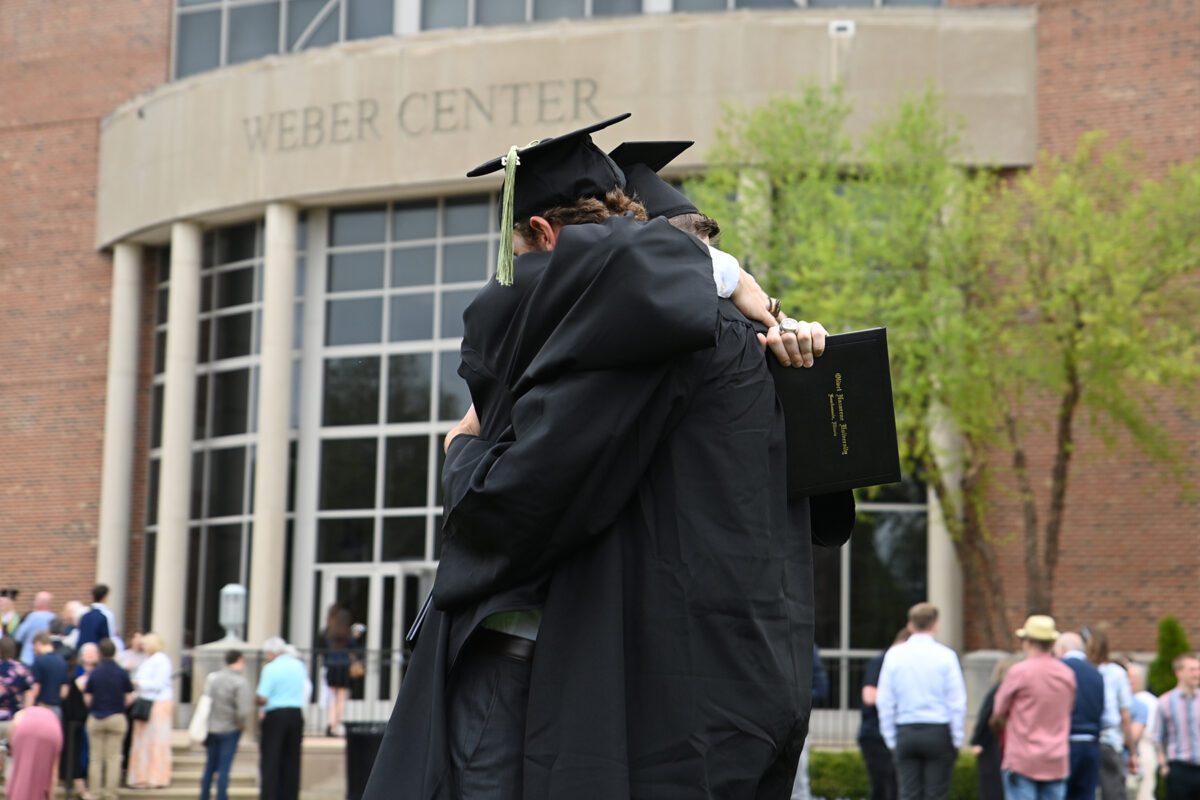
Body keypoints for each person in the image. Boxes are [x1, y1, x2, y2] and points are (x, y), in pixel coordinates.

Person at [365, 115, 851, 800]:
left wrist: (466, 452)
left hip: (589, 695)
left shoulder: (641, 340)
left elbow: (510, 508)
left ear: (542, 233)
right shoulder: (752, 346)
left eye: (527, 259)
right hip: (737, 692)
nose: (528, 288)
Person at [876, 602, 966, 800]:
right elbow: (956, 700)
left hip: (906, 729)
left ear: (910, 625)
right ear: (936, 625)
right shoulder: (946, 656)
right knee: (937, 794)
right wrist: (957, 736)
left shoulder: (894, 655)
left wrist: (890, 736)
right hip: (938, 730)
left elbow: (885, 699)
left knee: (908, 793)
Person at [990, 615, 1077, 800]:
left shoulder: (1019, 672)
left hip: (1023, 759)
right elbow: (1070, 709)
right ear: (1053, 642)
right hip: (1056, 758)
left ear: (1027, 641)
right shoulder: (1067, 674)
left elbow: (998, 709)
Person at [1053, 631, 1105, 800]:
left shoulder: (1058, 670)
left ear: (1061, 649)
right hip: (1091, 745)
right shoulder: (1097, 674)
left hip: (1063, 744)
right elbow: (1109, 716)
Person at [1087, 626, 1136, 799]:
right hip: (1109, 740)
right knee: (1114, 792)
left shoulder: (1079, 671)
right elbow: (1125, 715)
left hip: (1083, 739)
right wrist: (1132, 751)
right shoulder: (1116, 673)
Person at [861, 629, 910, 800]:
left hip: (892, 734)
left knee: (895, 788)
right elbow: (869, 696)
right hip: (875, 734)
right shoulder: (882, 661)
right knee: (884, 787)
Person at [257, 636, 307, 800]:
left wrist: (256, 701)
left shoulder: (271, 668)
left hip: (276, 714)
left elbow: (263, 696)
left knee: (271, 758)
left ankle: (270, 795)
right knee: (292, 759)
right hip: (295, 714)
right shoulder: (299, 666)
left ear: (272, 653)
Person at [83, 639, 133, 800]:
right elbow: (130, 695)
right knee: (114, 758)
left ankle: (95, 793)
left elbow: (88, 697)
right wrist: (122, 705)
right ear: (114, 653)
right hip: (117, 716)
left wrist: (93, 707)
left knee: (95, 758)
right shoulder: (121, 672)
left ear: (100, 654)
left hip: (97, 717)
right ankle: (111, 794)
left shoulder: (95, 673)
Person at [201, 649, 252, 800]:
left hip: (212, 728)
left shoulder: (214, 679)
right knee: (224, 768)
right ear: (239, 660)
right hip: (230, 729)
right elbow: (243, 710)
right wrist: (240, 724)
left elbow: (207, 702)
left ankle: (204, 796)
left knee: (210, 767)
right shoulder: (240, 682)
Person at [969, 654, 1021, 800]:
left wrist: (976, 741)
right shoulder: (1005, 692)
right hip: (1003, 749)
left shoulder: (998, 692)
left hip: (997, 749)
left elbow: (983, 719)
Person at [127, 632, 173, 789]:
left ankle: (155, 777)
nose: (142, 646)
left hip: (158, 703)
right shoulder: (149, 660)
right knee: (143, 741)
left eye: (145, 643)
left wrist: (138, 683)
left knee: (155, 740)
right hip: (144, 701)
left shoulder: (161, 660)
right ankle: (141, 776)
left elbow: (159, 683)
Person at [1154, 653, 1200, 800]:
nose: (1197, 674)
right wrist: (1163, 765)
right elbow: (1157, 737)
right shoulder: (1165, 702)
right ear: (1179, 672)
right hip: (1179, 769)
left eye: (1198, 669)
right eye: (1192, 670)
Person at [792, 644, 831, 800]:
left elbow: (821, 688)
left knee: (798, 782)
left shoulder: (806, 646)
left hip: (794, 722)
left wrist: (794, 702)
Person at [6, 705, 64, 799]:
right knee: (49, 771)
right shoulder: (53, 718)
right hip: (53, 731)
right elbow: (54, 771)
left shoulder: (22, 714)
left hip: (23, 726)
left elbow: (13, 728)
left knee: (19, 768)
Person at [0, 636, 35, 777]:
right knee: (12, 757)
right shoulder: (22, 669)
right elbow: (30, 692)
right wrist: (26, 713)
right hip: (14, 720)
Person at [1126, 662, 1159, 800]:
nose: (1129, 680)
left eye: (1132, 677)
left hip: (1144, 748)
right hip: (1129, 751)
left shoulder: (1148, 701)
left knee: (1144, 792)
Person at [320, 604, 353, 737]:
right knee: (341, 698)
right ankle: (335, 724)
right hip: (344, 667)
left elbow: (323, 649)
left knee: (333, 698)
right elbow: (354, 648)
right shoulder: (347, 634)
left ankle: (331, 722)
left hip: (331, 666)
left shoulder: (329, 633)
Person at [29, 631, 68, 719]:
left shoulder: (39, 661)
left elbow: (36, 688)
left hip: (41, 708)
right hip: (56, 709)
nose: (33, 650)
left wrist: (28, 707)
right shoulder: (61, 661)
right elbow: (64, 692)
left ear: (38, 644)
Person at [14, 591, 56, 666]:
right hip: (46, 659)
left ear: (39, 603)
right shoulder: (54, 617)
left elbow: (18, 636)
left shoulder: (32, 617)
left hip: (28, 658)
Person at [76, 586, 115, 650]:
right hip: (99, 651)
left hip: (83, 651)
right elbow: (110, 636)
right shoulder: (107, 614)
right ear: (104, 597)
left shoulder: (84, 615)